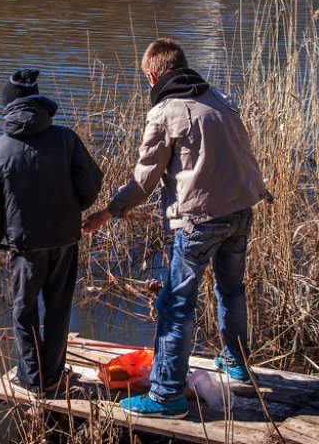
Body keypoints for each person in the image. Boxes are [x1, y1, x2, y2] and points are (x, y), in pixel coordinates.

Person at [82, 38, 270, 418]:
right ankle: (237, 365)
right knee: (231, 289)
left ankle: (167, 396)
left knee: (175, 304)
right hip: (242, 210)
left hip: (200, 220)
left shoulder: (165, 112)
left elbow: (143, 184)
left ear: (153, 77)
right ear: (182, 66)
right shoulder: (219, 98)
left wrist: (107, 212)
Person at [0, 69, 104, 398]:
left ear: (8, 107)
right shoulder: (66, 139)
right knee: (59, 308)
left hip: (25, 247)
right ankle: (52, 376)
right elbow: (91, 186)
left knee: (24, 311)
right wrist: (73, 208)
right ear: (38, 102)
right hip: (65, 239)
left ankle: (33, 381)